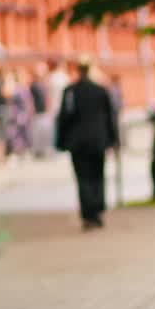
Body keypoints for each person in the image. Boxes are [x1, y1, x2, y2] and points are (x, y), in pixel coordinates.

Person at [55, 57, 119, 230]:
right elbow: (110, 117)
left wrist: (60, 142)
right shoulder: (100, 90)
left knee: (83, 177)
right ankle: (96, 209)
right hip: (98, 140)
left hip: (78, 141)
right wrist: (113, 139)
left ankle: (88, 213)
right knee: (98, 175)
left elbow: (63, 118)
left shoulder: (70, 91)